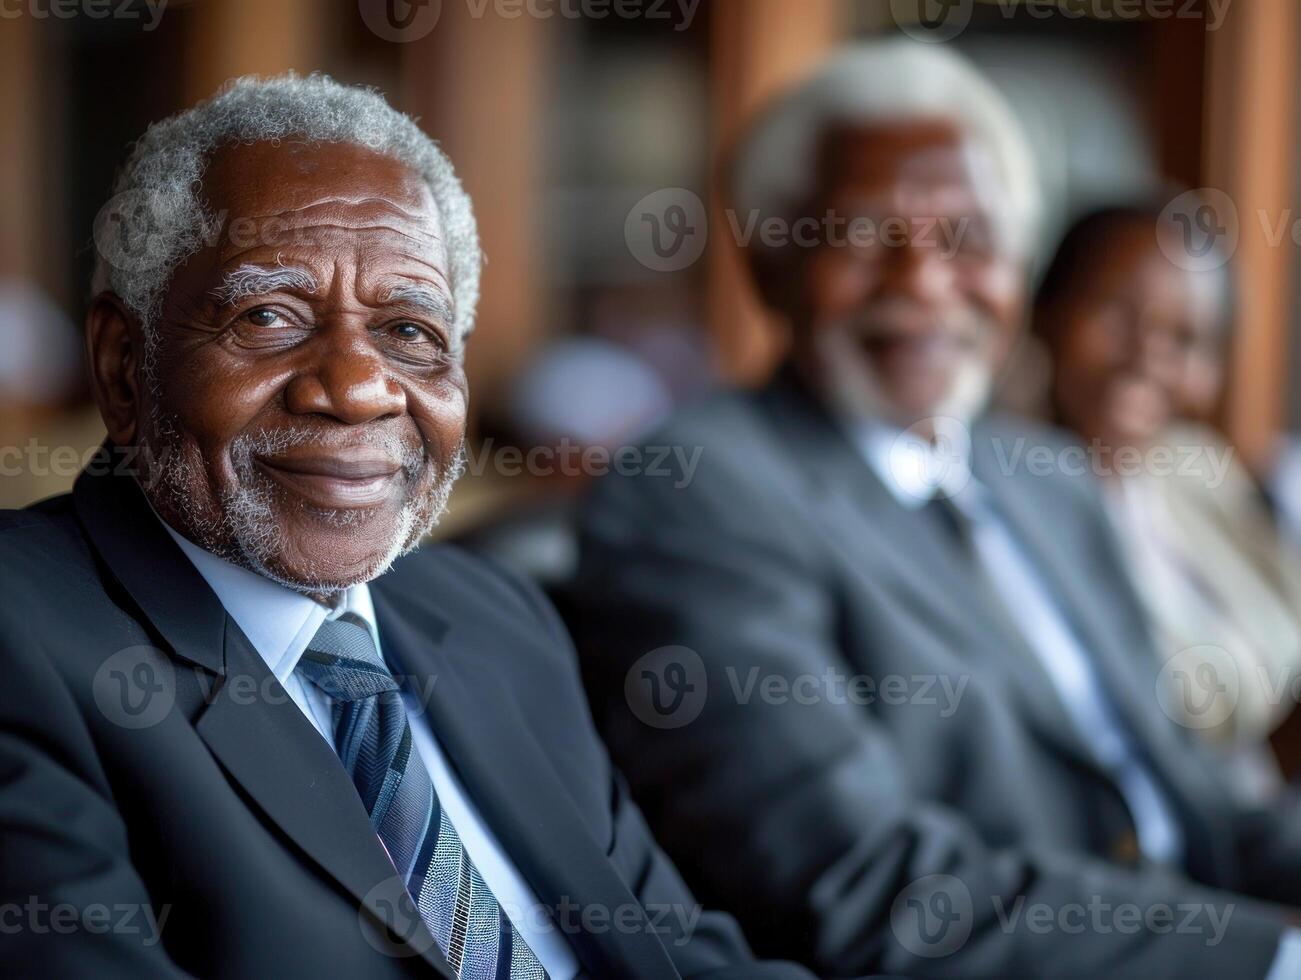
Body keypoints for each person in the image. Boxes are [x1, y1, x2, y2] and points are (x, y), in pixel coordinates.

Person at [0, 75, 817, 980]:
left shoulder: (497, 621)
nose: (356, 387)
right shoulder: (23, 639)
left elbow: (684, 959)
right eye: (268, 316)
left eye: (408, 330)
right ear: (124, 367)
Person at [572, 40, 1301, 979]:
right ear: (769, 266)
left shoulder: (1041, 475)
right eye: (865, 235)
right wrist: (1269, 953)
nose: (921, 282)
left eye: (967, 238)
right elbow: (864, 889)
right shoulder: (696, 495)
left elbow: (1194, 797)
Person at [1035, 204, 1301, 798]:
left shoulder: (1190, 467)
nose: (1147, 357)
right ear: (1044, 310)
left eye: (1185, 339)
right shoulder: (1002, 492)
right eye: (1115, 315)